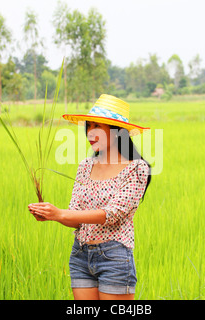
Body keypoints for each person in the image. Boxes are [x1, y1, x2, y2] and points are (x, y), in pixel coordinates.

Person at [28, 94, 152, 300]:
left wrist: (60, 213)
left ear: (117, 132)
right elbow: (75, 216)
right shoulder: (85, 166)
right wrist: (53, 215)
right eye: (88, 126)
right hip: (80, 255)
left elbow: (113, 214)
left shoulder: (136, 168)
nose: (90, 133)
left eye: (98, 127)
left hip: (114, 257)